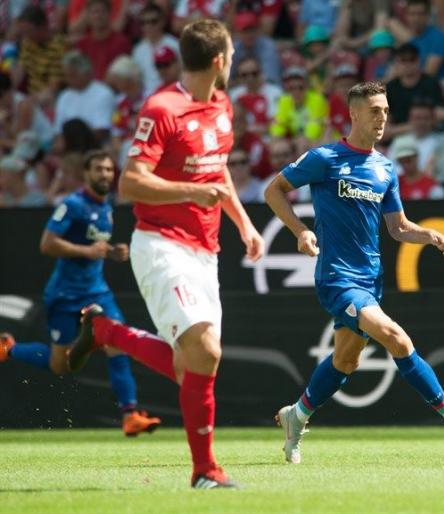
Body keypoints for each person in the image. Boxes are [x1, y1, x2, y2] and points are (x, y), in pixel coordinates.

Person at [65, 19, 265, 489]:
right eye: (231, 55)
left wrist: (244, 222)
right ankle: (205, 471)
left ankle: (104, 330)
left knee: (189, 366)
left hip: (206, 250)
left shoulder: (222, 105)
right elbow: (131, 181)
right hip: (161, 244)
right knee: (205, 350)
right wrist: (188, 194)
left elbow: (218, 174)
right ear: (219, 60)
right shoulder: (162, 108)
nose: (233, 62)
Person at [264, 81, 444, 465]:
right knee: (396, 338)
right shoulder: (325, 158)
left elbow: (398, 227)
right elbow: (273, 190)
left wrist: (430, 235)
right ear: (353, 114)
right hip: (337, 278)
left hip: (370, 280)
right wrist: (301, 230)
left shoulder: (385, 168)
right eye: (374, 111)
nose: (382, 117)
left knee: (345, 362)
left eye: (384, 110)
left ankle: (295, 416)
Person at [0, 150, 161, 436]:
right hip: (64, 296)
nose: (104, 175)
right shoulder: (73, 205)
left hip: (97, 293)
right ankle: (9, 349)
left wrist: (112, 253)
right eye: (99, 169)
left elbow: (94, 247)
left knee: (119, 344)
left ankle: (130, 414)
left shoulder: (107, 208)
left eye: (109, 170)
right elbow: (47, 244)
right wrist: (88, 251)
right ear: (86, 174)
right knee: (60, 366)